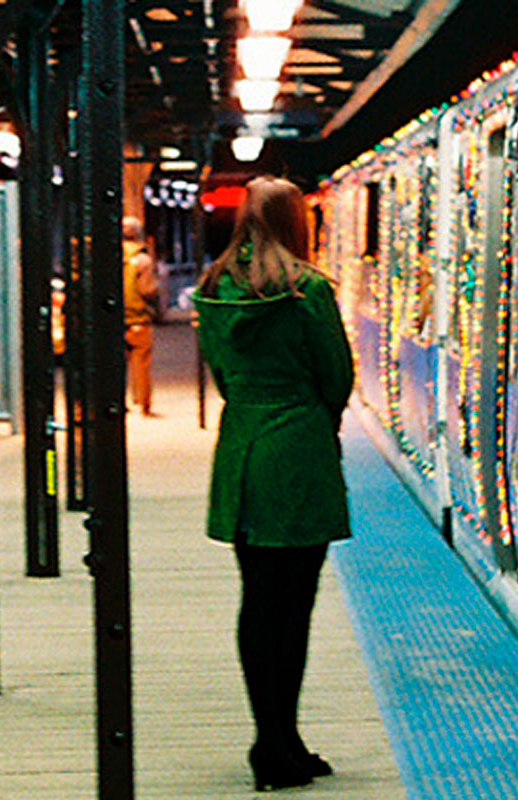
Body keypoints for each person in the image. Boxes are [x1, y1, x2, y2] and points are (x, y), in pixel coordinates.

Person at [194, 177, 354, 792]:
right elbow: (335, 378)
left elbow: (224, 377)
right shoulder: (308, 290)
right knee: (295, 606)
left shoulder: (214, 288)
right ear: (295, 221)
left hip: (241, 451)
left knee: (257, 600)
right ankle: (280, 740)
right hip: (298, 450)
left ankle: (274, 739)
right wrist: (311, 416)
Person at [123, 216, 161, 416]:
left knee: (115, 365)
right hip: (138, 318)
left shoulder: (110, 257)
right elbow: (147, 290)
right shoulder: (143, 260)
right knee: (142, 363)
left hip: (116, 320)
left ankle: (119, 403)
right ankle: (144, 405)